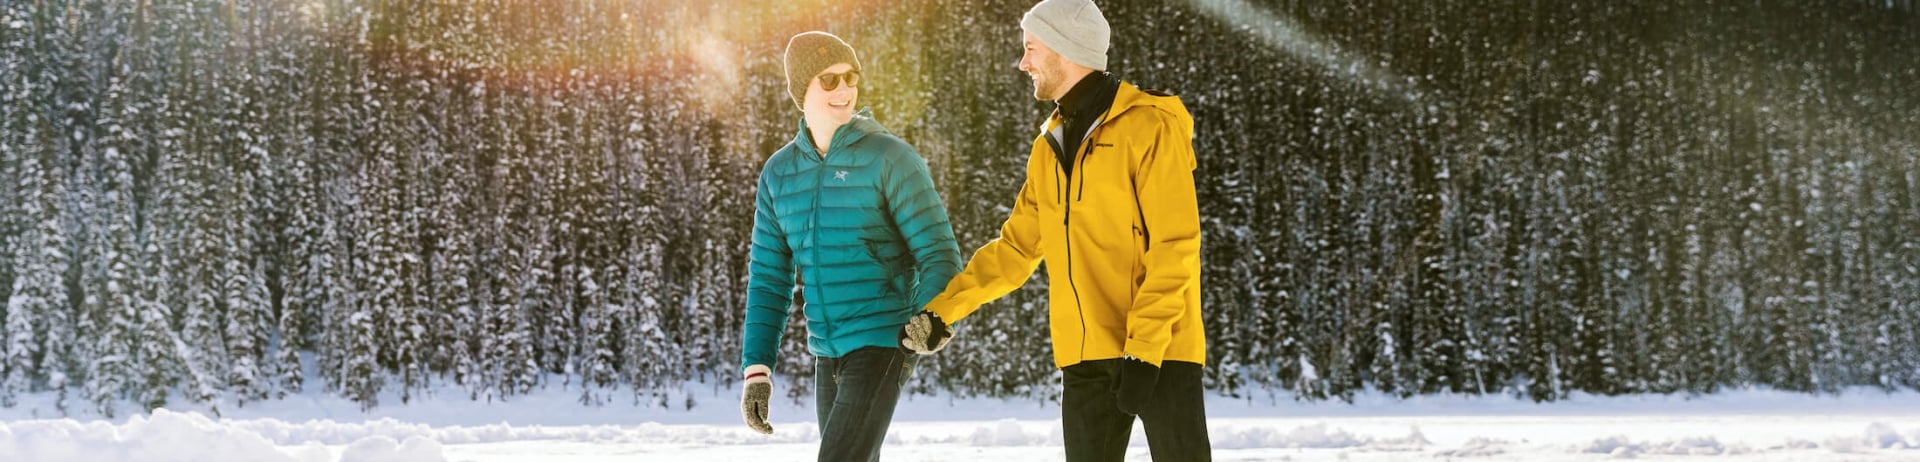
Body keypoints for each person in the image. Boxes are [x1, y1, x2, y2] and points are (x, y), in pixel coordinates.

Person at [897, 0, 1211, 460]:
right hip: (1084, 356)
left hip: (1160, 349)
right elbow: (1017, 248)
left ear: (1066, 49)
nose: (1023, 62)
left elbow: (1175, 247)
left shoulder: (1148, 128)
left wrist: (1144, 349)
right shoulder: (1050, 145)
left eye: (1031, 48)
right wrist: (944, 310)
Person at [738, 31, 962, 461]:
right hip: (827, 349)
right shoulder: (780, 174)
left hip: (885, 338)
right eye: (828, 80)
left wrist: (932, 315)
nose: (844, 89)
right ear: (801, 88)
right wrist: (757, 369)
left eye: (850, 77)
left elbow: (938, 252)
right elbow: (769, 280)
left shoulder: (890, 158)